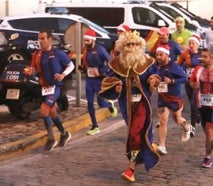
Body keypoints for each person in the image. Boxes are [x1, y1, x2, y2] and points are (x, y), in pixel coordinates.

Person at [98, 31, 161, 183]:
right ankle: (148, 146)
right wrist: (116, 87)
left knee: (135, 133)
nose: (131, 47)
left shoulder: (147, 61)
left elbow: (155, 75)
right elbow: (109, 80)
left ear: (139, 45)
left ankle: (131, 168)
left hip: (142, 103)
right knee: (137, 133)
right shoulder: (117, 64)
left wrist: (153, 81)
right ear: (122, 46)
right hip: (126, 104)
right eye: (128, 44)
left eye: (134, 44)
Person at [31, 28, 74, 151]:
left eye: (43, 38)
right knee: (53, 113)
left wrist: (63, 75)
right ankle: (64, 134)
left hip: (55, 87)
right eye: (39, 38)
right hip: (44, 88)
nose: (41, 41)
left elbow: (70, 65)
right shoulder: (37, 54)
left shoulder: (58, 53)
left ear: (50, 39)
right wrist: (31, 72)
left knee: (44, 112)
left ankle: (51, 138)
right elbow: (33, 69)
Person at [79, 29, 117, 135]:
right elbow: (86, 64)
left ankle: (109, 105)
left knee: (101, 103)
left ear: (93, 40)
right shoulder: (85, 50)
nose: (86, 43)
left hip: (99, 80)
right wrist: (82, 68)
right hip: (89, 80)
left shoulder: (100, 49)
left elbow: (111, 62)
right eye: (85, 41)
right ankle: (95, 126)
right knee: (90, 103)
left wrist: (101, 71)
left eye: (88, 41)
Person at [155, 44, 192, 155]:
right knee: (163, 120)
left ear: (167, 55)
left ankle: (186, 127)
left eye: (161, 55)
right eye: (157, 55)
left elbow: (185, 78)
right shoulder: (156, 67)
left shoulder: (174, 67)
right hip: (162, 97)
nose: (158, 57)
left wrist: (171, 81)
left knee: (177, 120)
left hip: (174, 97)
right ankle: (162, 145)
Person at [178, 34, 202, 137]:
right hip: (188, 82)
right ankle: (198, 114)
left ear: (197, 44)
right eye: (190, 43)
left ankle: (192, 127)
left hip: (198, 82)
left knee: (193, 103)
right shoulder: (185, 54)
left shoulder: (202, 55)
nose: (191, 45)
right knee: (192, 102)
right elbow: (178, 66)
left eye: (193, 43)